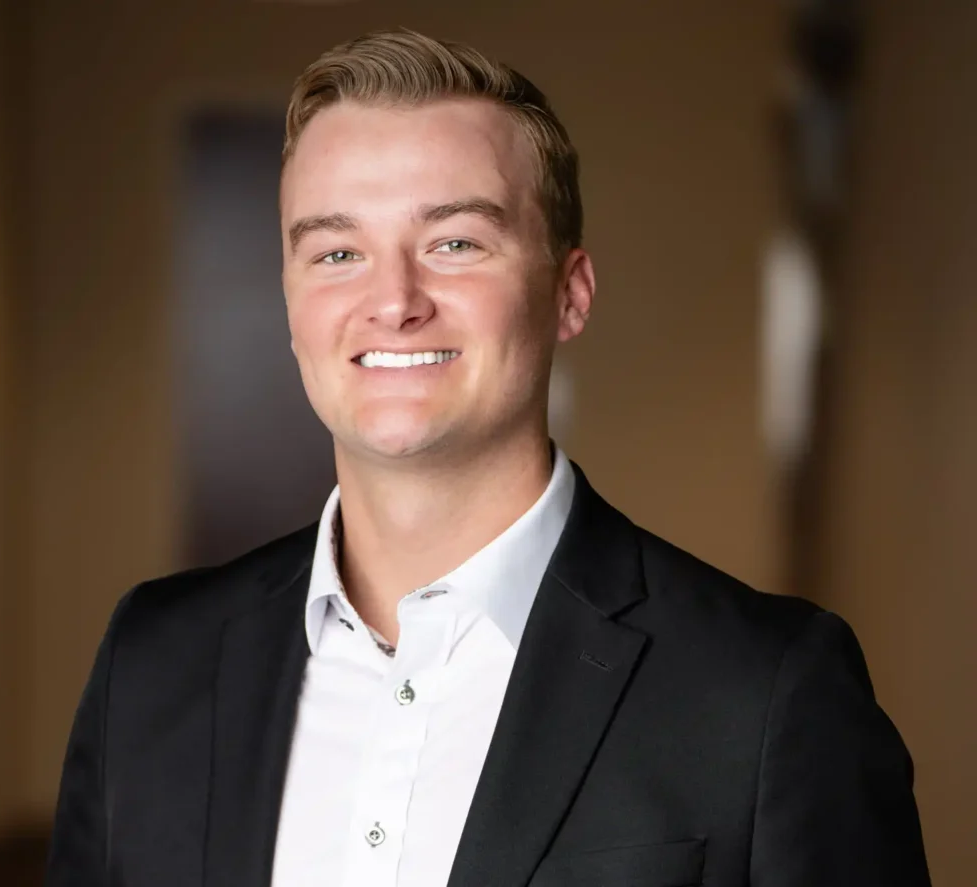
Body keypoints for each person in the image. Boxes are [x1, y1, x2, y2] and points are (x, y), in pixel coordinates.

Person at [46, 29, 930, 887]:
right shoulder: (153, 662)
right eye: (338, 251)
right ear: (290, 301)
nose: (392, 302)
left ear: (569, 293)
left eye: (454, 243)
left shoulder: (768, 693)